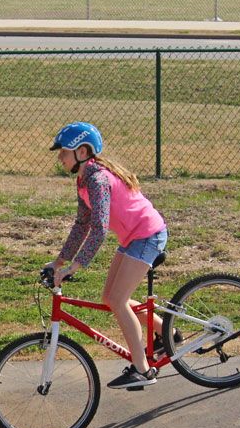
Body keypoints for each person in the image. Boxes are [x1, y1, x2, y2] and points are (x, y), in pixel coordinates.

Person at [46, 122, 169, 389]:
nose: (59, 157)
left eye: (63, 152)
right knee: (109, 297)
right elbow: (82, 224)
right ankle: (167, 333)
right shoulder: (83, 180)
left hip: (148, 235)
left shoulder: (98, 179)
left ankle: (142, 370)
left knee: (117, 298)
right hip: (134, 237)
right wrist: (59, 262)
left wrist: (75, 266)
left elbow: (99, 228)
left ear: (82, 151)